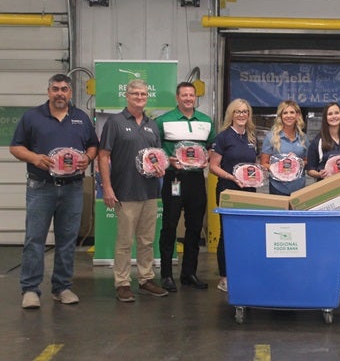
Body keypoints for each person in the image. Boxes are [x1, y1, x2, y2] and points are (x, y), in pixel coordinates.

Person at [10, 73, 99, 309]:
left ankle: (62, 288)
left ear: (70, 93)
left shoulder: (81, 117)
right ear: (48, 91)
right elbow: (15, 147)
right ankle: (30, 289)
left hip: (72, 188)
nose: (60, 93)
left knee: (67, 241)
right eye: (56, 89)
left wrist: (88, 158)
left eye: (64, 89)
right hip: (41, 187)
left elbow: (93, 144)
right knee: (34, 239)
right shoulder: (32, 117)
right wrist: (34, 157)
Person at [98, 79, 168, 302]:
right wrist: (107, 187)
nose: (140, 97)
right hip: (125, 191)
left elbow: (155, 156)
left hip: (149, 191)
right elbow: (103, 156)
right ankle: (123, 283)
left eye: (144, 94)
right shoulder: (115, 122)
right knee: (125, 241)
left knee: (147, 240)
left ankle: (146, 279)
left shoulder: (152, 124)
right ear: (127, 96)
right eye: (136, 94)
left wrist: (160, 168)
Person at [155, 82, 216, 292]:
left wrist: (208, 157)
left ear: (195, 97)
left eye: (191, 95)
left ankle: (189, 273)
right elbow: (154, 150)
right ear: (177, 97)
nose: (188, 98)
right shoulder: (163, 120)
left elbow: (211, 147)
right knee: (170, 226)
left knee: (194, 227)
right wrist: (167, 160)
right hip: (174, 178)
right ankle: (166, 275)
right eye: (184, 95)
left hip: (197, 179)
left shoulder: (206, 121)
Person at [306, 102, 340, 293]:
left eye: (337, 113)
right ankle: (323, 276)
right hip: (327, 196)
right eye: (330, 114)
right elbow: (310, 169)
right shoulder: (319, 141)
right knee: (326, 237)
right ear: (325, 117)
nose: (334, 116)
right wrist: (319, 174)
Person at [209, 99, 258, 292]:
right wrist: (232, 177)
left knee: (246, 232)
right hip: (228, 189)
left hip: (248, 191)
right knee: (227, 233)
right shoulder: (223, 137)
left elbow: (252, 164)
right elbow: (213, 166)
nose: (242, 115)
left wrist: (257, 174)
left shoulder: (252, 137)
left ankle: (243, 272)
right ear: (231, 114)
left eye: (245, 111)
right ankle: (224, 277)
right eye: (238, 111)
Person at [259, 100, 308, 195]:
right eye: (285, 113)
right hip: (278, 188)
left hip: (299, 188)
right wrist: (278, 167)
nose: (289, 116)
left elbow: (308, 161)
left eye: (292, 112)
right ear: (281, 116)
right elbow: (263, 164)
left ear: (297, 115)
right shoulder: (271, 137)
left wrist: (298, 162)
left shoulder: (303, 138)